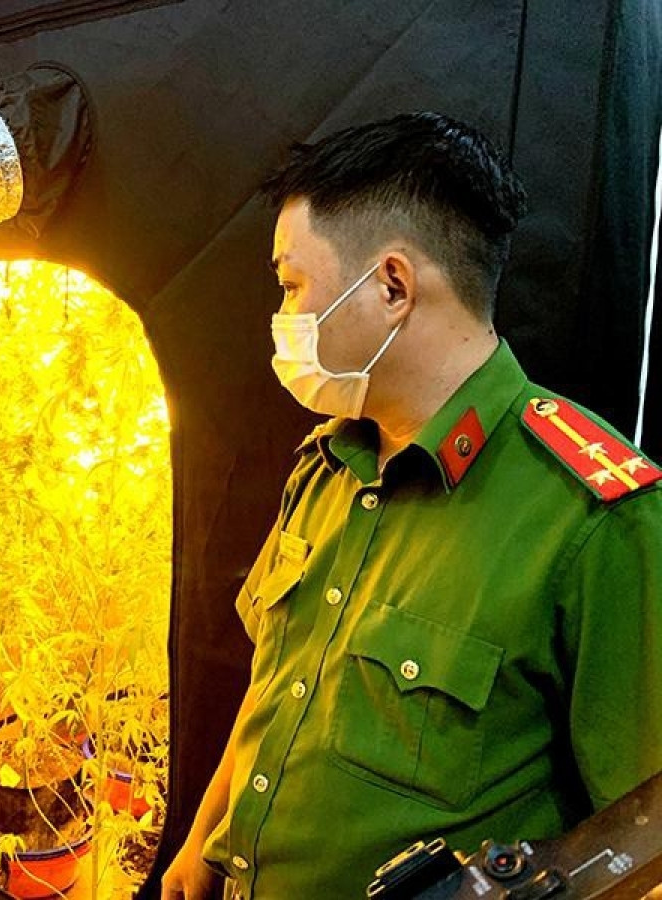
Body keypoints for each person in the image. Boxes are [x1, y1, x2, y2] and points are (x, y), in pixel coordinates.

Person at [161, 112, 662, 899]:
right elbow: (279, 680)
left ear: (391, 285)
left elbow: (645, 838)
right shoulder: (329, 463)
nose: (283, 314)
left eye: (293, 284)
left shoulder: (594, 518)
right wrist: (202, 842)